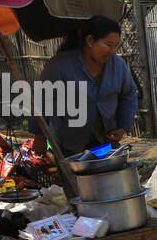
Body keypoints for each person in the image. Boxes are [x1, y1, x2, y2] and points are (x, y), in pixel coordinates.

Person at [32, 16, 137, 157]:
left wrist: (123, 126)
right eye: (108, 44)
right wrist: (39, 137)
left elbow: (129, 94)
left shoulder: (118, 65)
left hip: (106, 144)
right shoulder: (59, 65)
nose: (112, 51)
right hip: (69, 144)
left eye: (116, 46)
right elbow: (42, 100)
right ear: (90, 41)